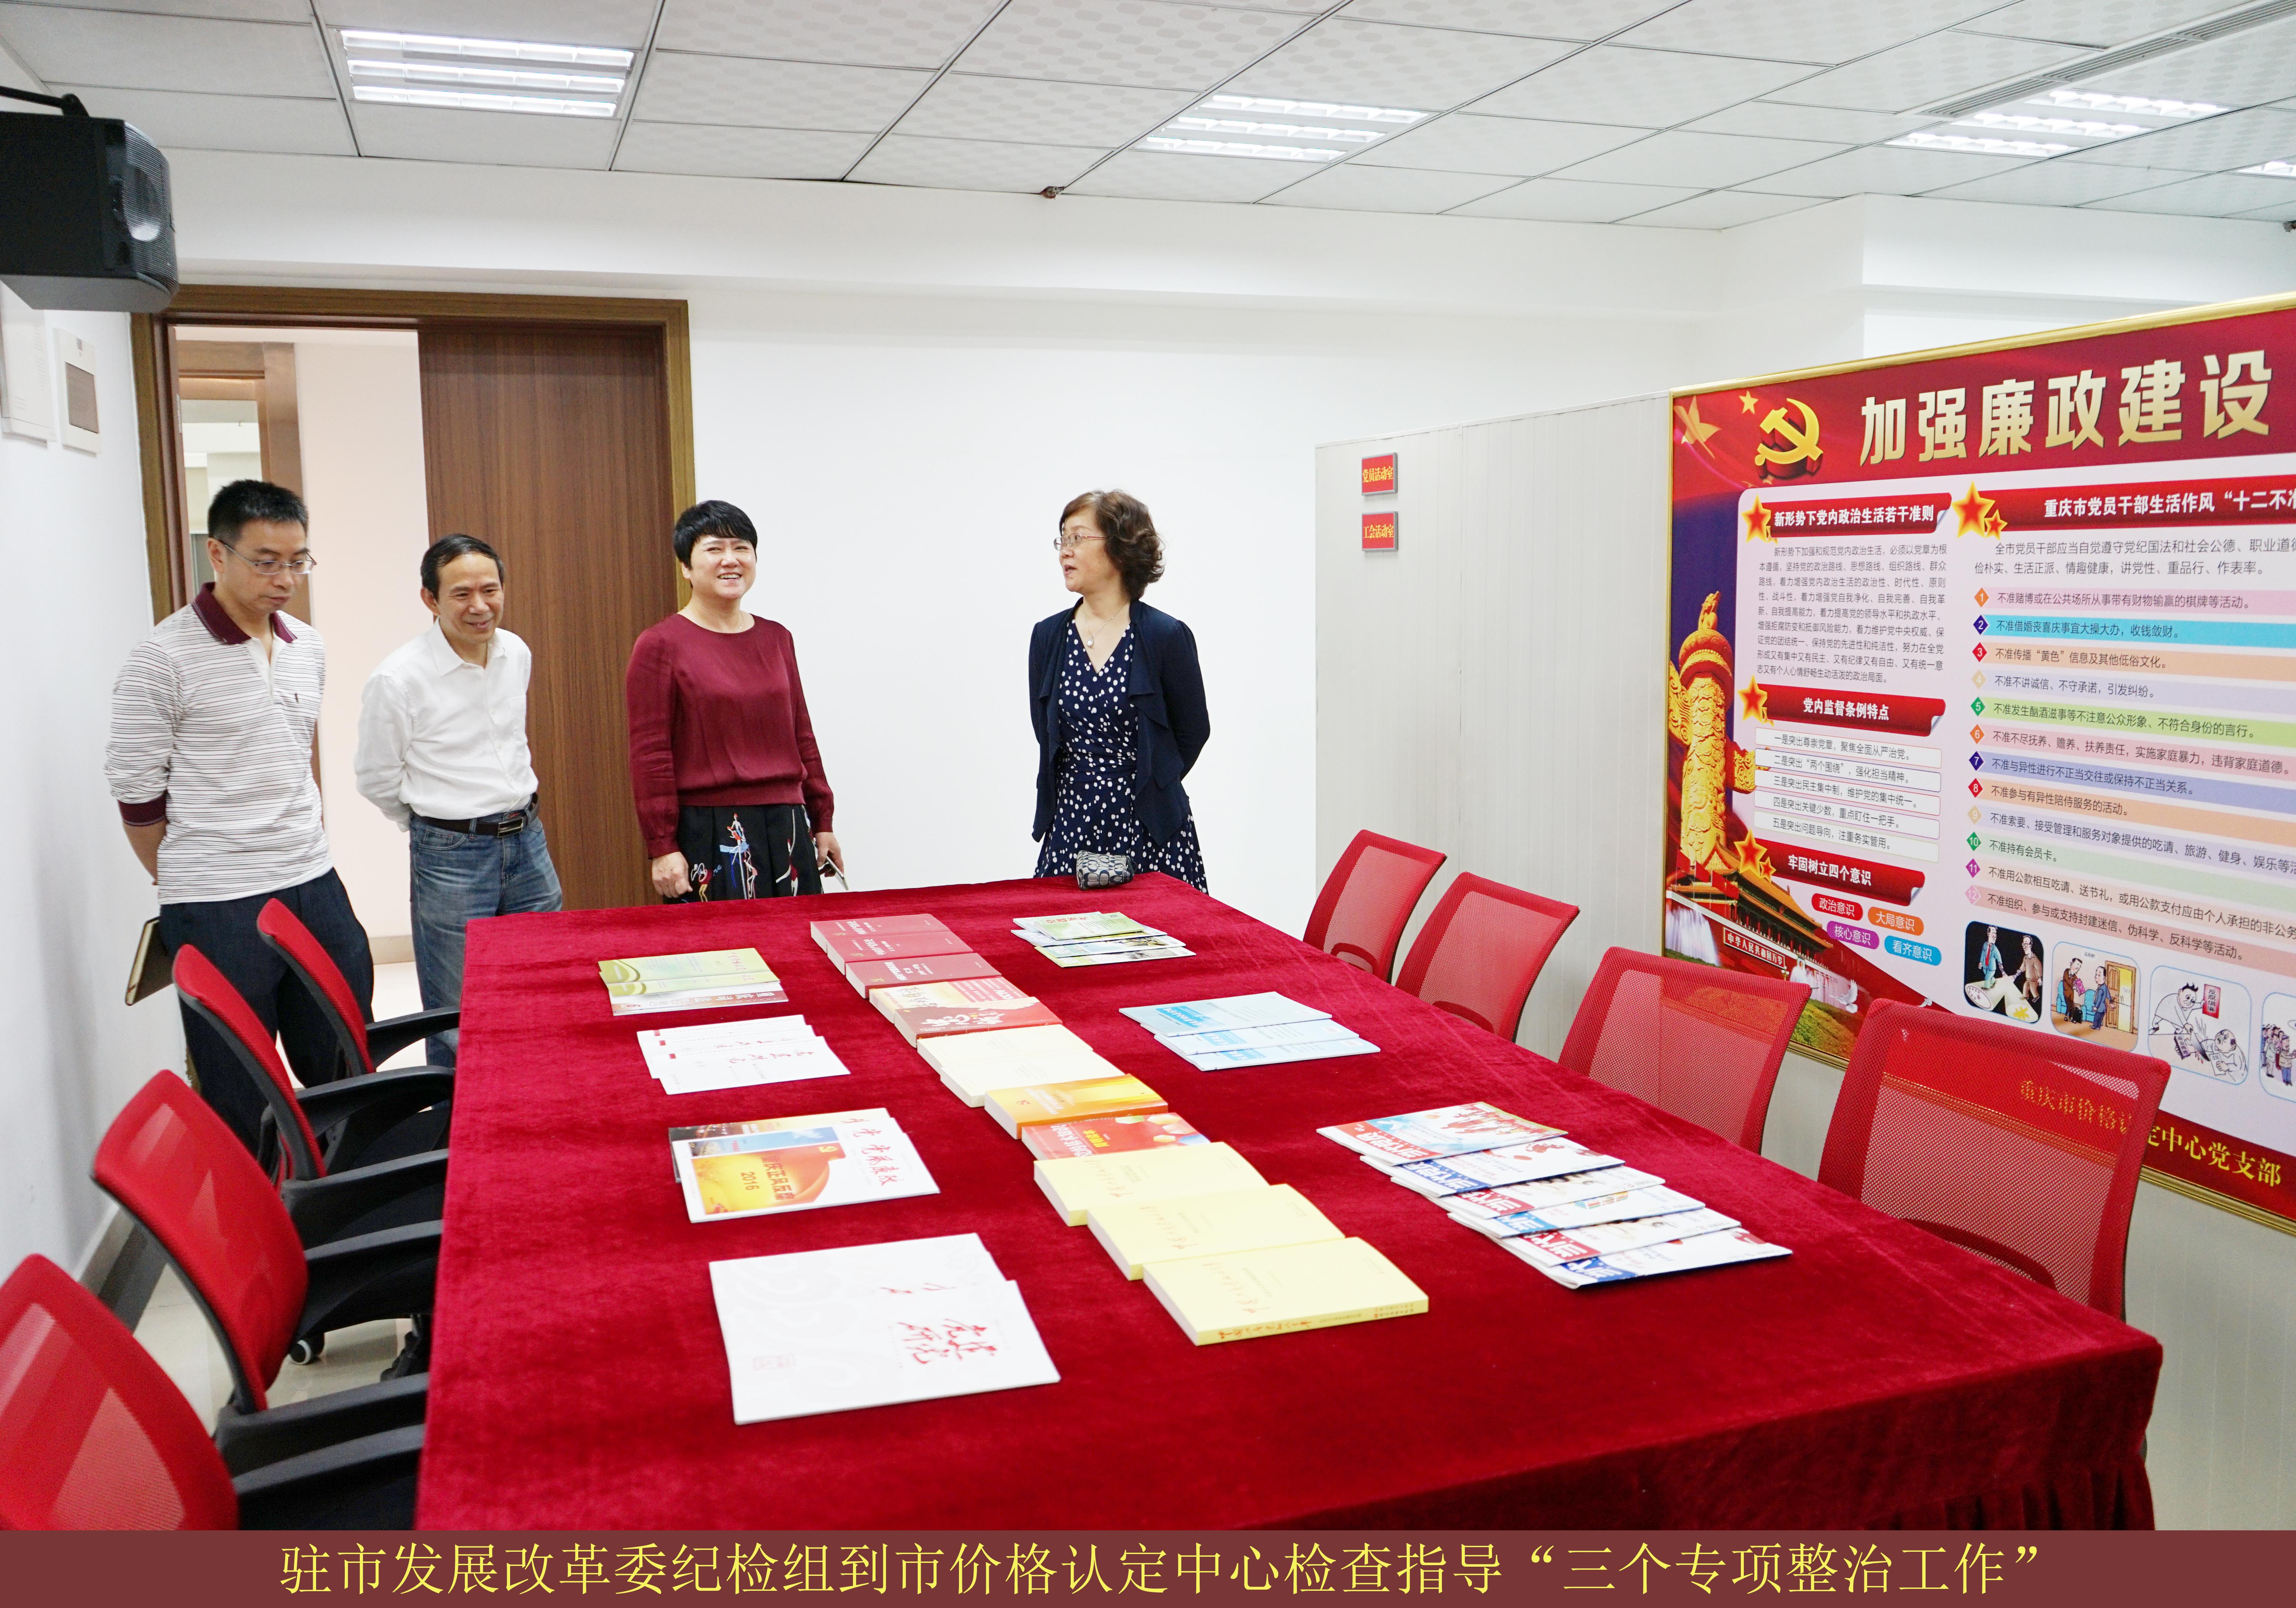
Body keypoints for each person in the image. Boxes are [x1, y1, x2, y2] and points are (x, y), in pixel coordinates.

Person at [106, 479, 372, 1153]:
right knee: (240, 1087)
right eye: (266, 561)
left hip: (314, 878)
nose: (285, 578)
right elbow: (137, 793)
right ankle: (260, 1211)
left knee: (345, 1056)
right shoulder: (162, 658)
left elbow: (288, 756)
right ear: (218, 554)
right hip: (217, 902)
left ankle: (354, 1196)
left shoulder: (307, 645)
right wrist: (192, 874)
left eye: (298, 561)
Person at [354, 534, 561, 1065]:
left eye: (490, 590)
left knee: (542, 986)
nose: (480, 606)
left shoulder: (516, 652)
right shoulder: (399, 677)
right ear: (431, 599)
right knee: (457, 1013)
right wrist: (433, 825)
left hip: (527, 840)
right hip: (451, 854)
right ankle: (456, 1117)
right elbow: (376, 776)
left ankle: (533, 1099)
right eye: (462, 594)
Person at [625, 501, 842, 902]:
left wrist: (822, 820)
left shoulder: (777, 638)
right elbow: (651, 755)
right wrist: (662, 845)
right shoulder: (660, 644)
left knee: (799, 939)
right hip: (710, 829)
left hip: (788, 823)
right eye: (714, 549)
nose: (731, 560)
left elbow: (802, 736)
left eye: (742, 548)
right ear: (686, 567)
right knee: (723, 942)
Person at [1029, 489, 1209, 891]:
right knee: (1059, 929)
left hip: (1149, 823)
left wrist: (1148, 784)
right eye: (1063, 539)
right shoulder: (1048, 637)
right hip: (1072, 822)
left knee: (1161, 931)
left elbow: (1193, 731)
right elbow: (1046, 732)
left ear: (1119, 547)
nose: (1065, 551)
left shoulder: (1165, 635)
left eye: (1078, 537)